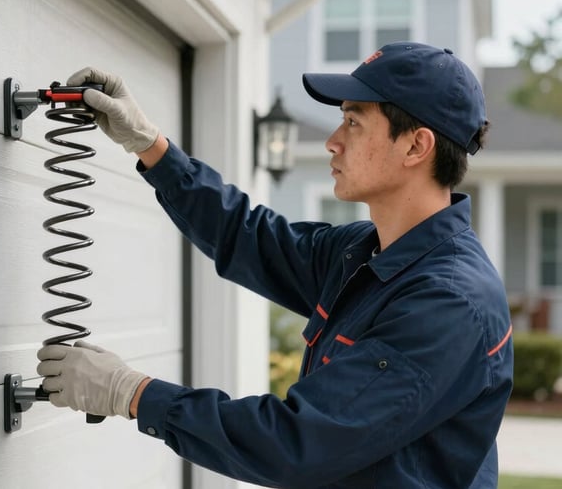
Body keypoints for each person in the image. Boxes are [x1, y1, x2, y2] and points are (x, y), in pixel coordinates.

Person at [36, 42, 514, 488]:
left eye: (353, 122)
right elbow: (250, 237)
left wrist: (132, 393)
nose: (332, 141)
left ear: (416, 146)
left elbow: (299, 442)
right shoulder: (364, 253)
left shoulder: (447, 303)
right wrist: (150, 145)